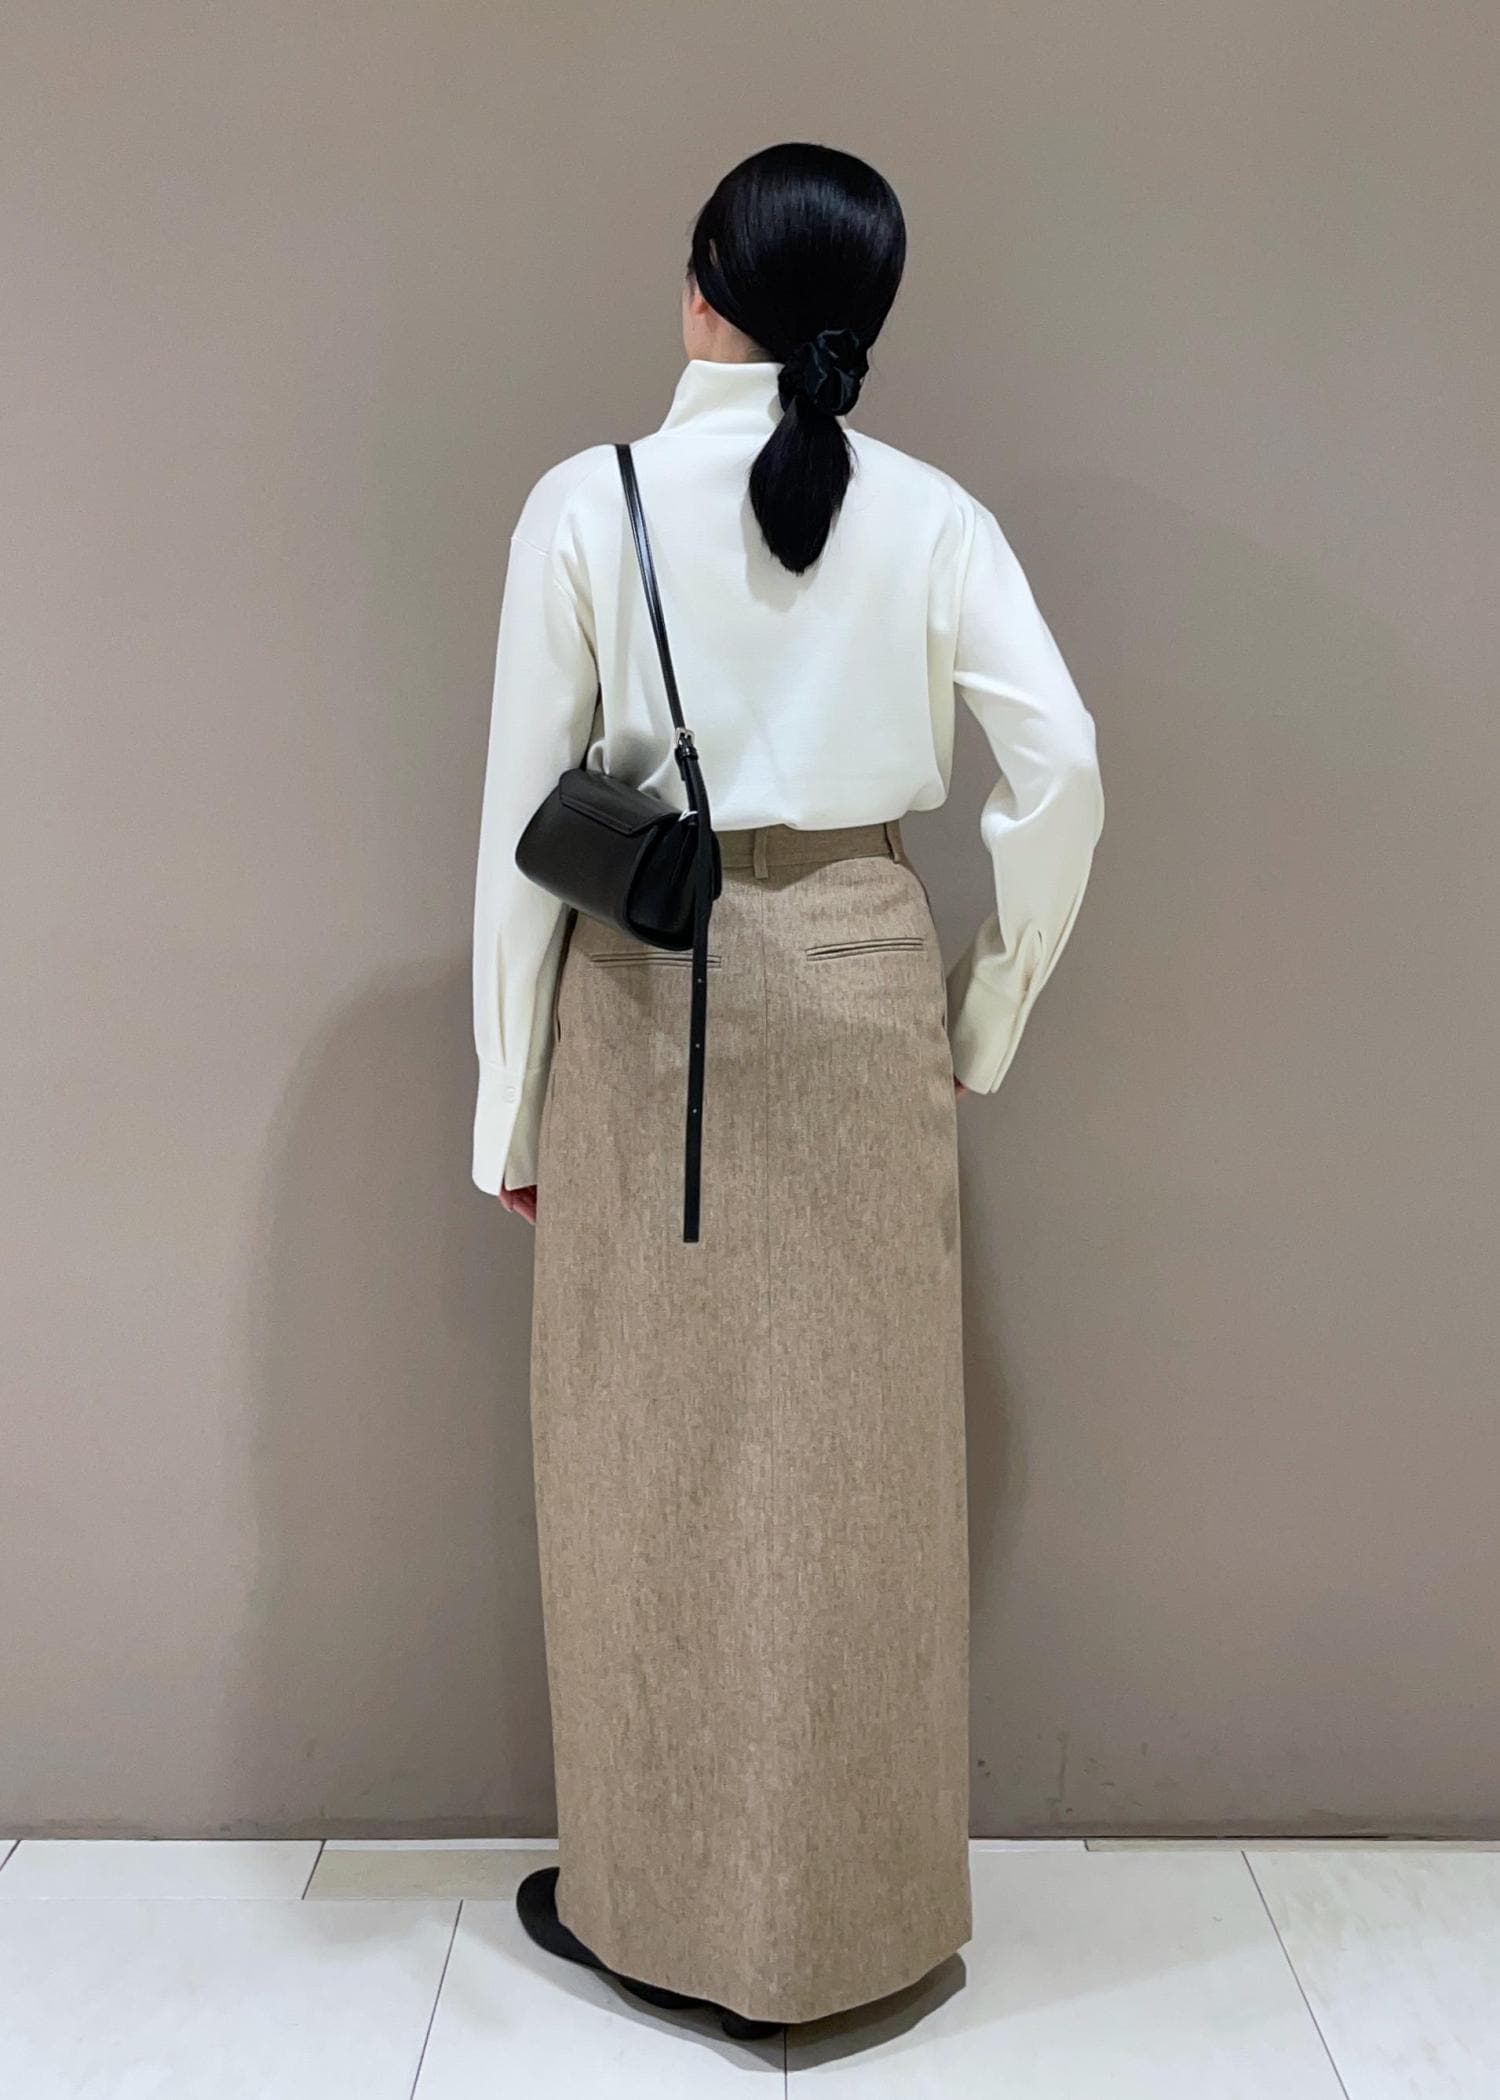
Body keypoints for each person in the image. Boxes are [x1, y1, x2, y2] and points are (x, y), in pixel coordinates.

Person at [470, 141, 1104, 2041]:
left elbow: (522, 842)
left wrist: (509, 1105)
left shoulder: (586, 504)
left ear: (700, 288)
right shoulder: (935, 516)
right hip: (864, 968)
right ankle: (858, 1924)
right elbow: (1064, 767)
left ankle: (655, 1906)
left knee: (641, 1454)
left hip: (647, 999)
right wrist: (982, 1017)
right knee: (860, 1464)